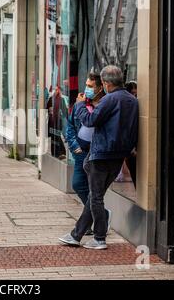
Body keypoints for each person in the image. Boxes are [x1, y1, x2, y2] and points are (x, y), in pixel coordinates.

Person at [59, 65, 139, 250]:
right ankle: (76, 235)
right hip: (118, 156)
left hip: (102, 155)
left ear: (105, 83)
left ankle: (99, 238)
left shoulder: (110, 99)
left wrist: (79, 105)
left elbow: (90, 120)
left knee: (95, 197)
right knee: (96, 196)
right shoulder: (132, 100)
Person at [65, 71, 109, 236]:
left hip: (97, 153)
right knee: (77, 184)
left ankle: (94, 222)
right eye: (86, 85)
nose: (87, 89)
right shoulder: (79, 105)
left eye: (91, 86)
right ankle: (102, 215)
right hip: (81, 152)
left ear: (100, 88)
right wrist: (75, 147)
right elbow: (69, 127)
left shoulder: (105, 105)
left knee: (94, 191)